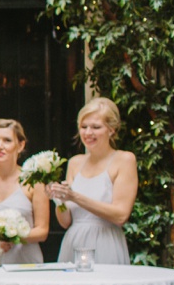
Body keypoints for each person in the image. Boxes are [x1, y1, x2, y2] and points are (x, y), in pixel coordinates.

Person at [48, 97, 137, 265]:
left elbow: (120, 215)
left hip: (105, 242)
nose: (88, 133)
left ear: (111, 130)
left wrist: (75, 197)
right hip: (73, 243)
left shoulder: (124, 160)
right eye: (84, 127)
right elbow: (65, 221)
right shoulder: (75, 163)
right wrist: (59, 198)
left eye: (96, 127)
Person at [0, 119, 48, 269]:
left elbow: (42, 231)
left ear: (20, 145)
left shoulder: (34, 182)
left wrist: (15, 236)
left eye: (7, 141)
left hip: (24, 258)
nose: (0, 146)